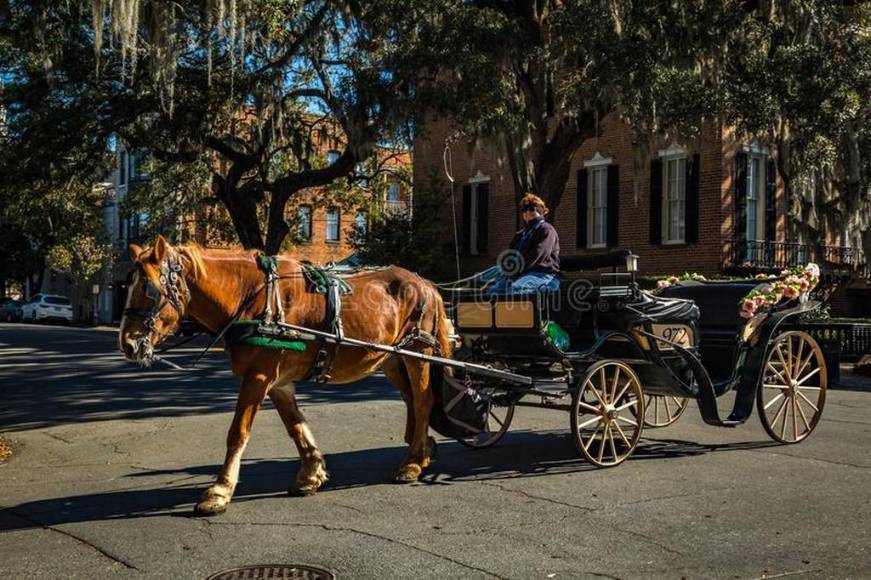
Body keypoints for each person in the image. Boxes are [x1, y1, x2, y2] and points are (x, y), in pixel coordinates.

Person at [487, 193, 560, 295]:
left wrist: (517, 269)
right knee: (493, 291)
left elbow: (538, 254)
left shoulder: (546, 229)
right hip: (521, 274)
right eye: (524, 210)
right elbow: (511, 255)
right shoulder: (521, 234)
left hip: (543, 274)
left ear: (539, 211)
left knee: (517, 289)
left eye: (531, 209)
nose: (527, 212)